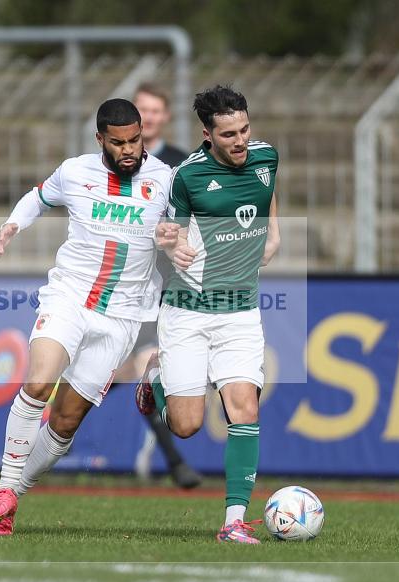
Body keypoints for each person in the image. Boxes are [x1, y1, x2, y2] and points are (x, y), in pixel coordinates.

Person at [0, 99, 177, 536]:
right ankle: (5, 488)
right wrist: (14, 223)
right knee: (38, 382)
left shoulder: (164, 179)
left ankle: (13, 498)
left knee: (65, 422)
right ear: (100, 140)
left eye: (135, 141)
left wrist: (174, 239)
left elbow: (182, 232)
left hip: (123, 317)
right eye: (118, 142)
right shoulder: (75, 172)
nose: (129, 150)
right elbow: (38, 197)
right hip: (68, 298)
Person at [135, 85, 280, 544]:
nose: (240, 141)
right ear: (207, 134)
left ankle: (233, 520)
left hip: (240, 311)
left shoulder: (266, 157)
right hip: (187, 312)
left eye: (244, 130)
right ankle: (154, 381)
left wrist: (272, 233)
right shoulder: (187, 175)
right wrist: (172, 245)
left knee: (244, 407)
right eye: (229, 134)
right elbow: (168, 230)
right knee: (186, 425)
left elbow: (268, 193)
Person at [111, 83, 201, 489]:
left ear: (165, 117)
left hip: (169, 285)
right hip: (125, 283)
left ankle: (173, 459)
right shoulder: (110, 162)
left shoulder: (182, 164)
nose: (147, 118)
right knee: (121, 368)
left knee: (150, 365)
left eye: (155, 111)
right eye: (141, 110)